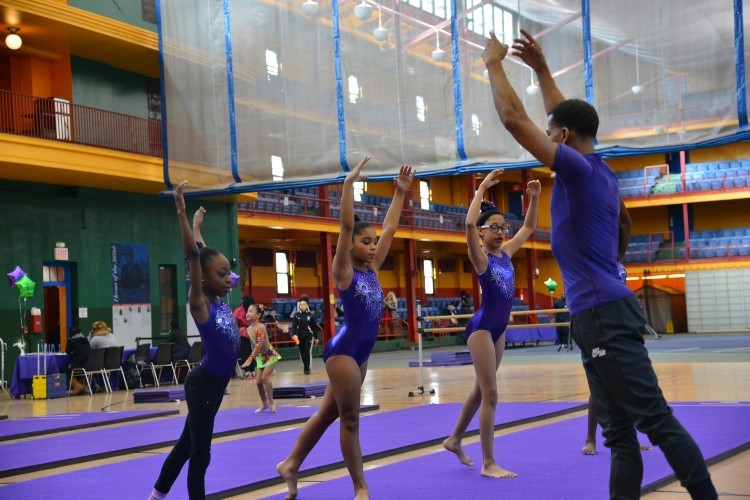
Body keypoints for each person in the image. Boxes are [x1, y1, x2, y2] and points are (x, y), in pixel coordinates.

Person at [484, 29, 716, 498]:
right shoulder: (599, 168)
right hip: (597, 316)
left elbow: (513, 119)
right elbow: (564, 117)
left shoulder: (578, 170)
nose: (548, 140)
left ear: (564, 140)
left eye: (552, 135)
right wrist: (543, 71)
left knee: (655, 420)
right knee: (620, 438)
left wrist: (493, 65)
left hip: (602, 317)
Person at [276, 157, 415, 500]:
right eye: (366, 242)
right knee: (350, 419)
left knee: (327, 414)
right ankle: (360, 487)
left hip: (361, 354)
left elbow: (393, 229)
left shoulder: (373, 269)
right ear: (353, 244)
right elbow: (345, 226)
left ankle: (291, 463)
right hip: (343, 352)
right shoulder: (345, 272)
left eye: (373, 242)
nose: (372, 247)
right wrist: (349, 185)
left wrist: (399, 193)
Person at [443, 169, 540, 479]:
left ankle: (454, 439)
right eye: (493, 228)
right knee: (491, 394)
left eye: (502, 227)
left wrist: (535, 198)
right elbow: (469, 223)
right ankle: (488, 463)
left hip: (498, 330)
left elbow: (529, 225)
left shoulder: (507, 254)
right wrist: (481, 187)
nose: (500, 232)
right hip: (482, 329)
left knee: (479, 390)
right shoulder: (481, 257)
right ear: (482, 233)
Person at [150, 181, 240, 500]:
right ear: (203, 279)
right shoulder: (201, 303)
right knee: (201, 454)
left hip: (214, 385)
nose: (229, 278)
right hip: (202, 385)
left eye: (229, 272)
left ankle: (156, 496)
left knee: (186, 445)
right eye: (222, 274)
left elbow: (203, 257)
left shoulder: (222, 299)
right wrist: (182, 211)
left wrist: (200, 229)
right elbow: (194, 256)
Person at [241, 303, 282, 412]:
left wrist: (250, 359)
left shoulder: (261, 327)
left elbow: (259, 345)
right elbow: (252, 344)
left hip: (269, 355)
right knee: (258, 382)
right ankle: (264, 404)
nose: (247, 313)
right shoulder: (249, 329)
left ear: (258, 315)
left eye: (250, 311)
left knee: (265, 377)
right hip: (260, 357)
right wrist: (254, 358)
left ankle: (271, 402)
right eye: (247, 311)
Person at [290, 298, 319, 375]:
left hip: (309, 336)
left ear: (307, 306)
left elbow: (314, 327)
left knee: (307, 351)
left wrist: (316, 337)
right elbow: (294, 326)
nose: (302, 306)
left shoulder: (311, 315)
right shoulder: (296, 315)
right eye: (301, 305)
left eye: (304, 304)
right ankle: (305, 365)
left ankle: (307, 368)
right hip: (299, 337)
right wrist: (294, 334)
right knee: (302, 353)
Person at [234, 295, 256, 378]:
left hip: (243, 334)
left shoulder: (239, 310)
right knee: (252, 353)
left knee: (245, 354)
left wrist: (239, 328)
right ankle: (253, 371)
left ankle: (247, 372)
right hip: (253, 333)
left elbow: (234, 321)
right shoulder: (254, 310)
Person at [66, 326, 91, 396]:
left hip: (78, 364)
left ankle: (77, 386)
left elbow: (67, 350)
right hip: (88, 364)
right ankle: (84, 387)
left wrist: (69, 340)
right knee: (79, 370)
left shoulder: (73, 340)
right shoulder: (86, 340)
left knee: (67, 370)